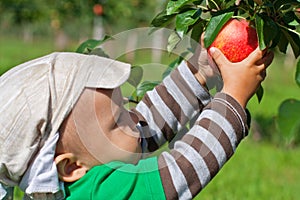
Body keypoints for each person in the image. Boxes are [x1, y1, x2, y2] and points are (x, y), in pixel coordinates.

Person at [0, 38, 273, 199]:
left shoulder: (85, 172)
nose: (135, 121)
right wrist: (234, 95)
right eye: (118, 121)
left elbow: (147, 121)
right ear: (70, 167)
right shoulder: (97, 193)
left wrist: (199, 73)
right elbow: (180, 172)